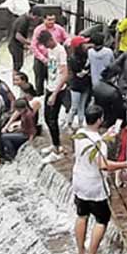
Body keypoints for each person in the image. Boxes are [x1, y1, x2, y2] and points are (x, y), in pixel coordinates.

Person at [72, 104, 127, 254]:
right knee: (102, 219)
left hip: (79, 181)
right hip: (94, 185)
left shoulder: (80, 134)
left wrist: (105, 137)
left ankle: (81, 252)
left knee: (82, 215)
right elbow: (103, 165)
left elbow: (93, 142)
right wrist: (125, 164)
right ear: (100, 120)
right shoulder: (100, 144)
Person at [38, 31, 68, 160]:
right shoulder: (50, 51)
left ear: (51, 40)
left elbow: (65, 75)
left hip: (58, 90)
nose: (46, 47)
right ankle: (55, 144)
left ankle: (57, 151)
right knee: (47, 118)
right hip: (50, 87)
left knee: (52, 119)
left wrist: (54, 94)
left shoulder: (60, 51)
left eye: (46, 44)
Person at [31, 13, 68, 95]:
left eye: (53, 20)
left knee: (53, 78)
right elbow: (33, 46)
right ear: (44, 20)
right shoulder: (38, 30)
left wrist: (65, 45)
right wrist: (43, 59)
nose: (51, 22)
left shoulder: (59, 29)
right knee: (39, 80)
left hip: (54, 59)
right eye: (49, 20)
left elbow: (67, 38)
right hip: (41, 59)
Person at [66, 36, 92, 129]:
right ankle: (69, 124)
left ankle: (81, 124)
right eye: (84, 44)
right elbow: (79, 74)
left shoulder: (87, 55)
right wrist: (87, 68)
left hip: (85, 85)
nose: (86, 45)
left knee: (82, 106)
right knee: (74, 107)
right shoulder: (73, 58)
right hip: (76, 86)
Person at [8, 6, 40, 74]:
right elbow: (18, 36)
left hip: (14, 44)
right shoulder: (23, 21)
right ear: (31, 14)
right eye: (36, 18)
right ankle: (15, 80)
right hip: (15, 46)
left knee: (18, 65)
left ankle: (15, 80)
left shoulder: (24, 19)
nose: (36, 20)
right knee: (18, 65)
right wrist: (30, 43)